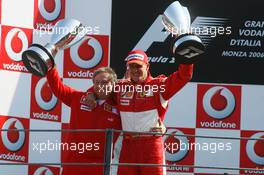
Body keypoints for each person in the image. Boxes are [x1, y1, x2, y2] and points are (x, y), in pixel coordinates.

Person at [86, 49, 193, 175]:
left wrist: (187, 54)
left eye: (138, 66)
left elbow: (184, 76)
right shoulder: (121, 87)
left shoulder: (159, 85)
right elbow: (101, 89)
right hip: (128, 147)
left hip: (151, 147)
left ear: (147, 66)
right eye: (131, 66)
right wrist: (90, 93)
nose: (135, 70)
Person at [46, 66, 122, 175]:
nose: (100, 86)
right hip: (73, 163)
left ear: (113, 84)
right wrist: (50, 66)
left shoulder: (120, 108)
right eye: (97, 82)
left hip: (100, 166)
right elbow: (57, 87)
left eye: (105, 82)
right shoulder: (78, 98)